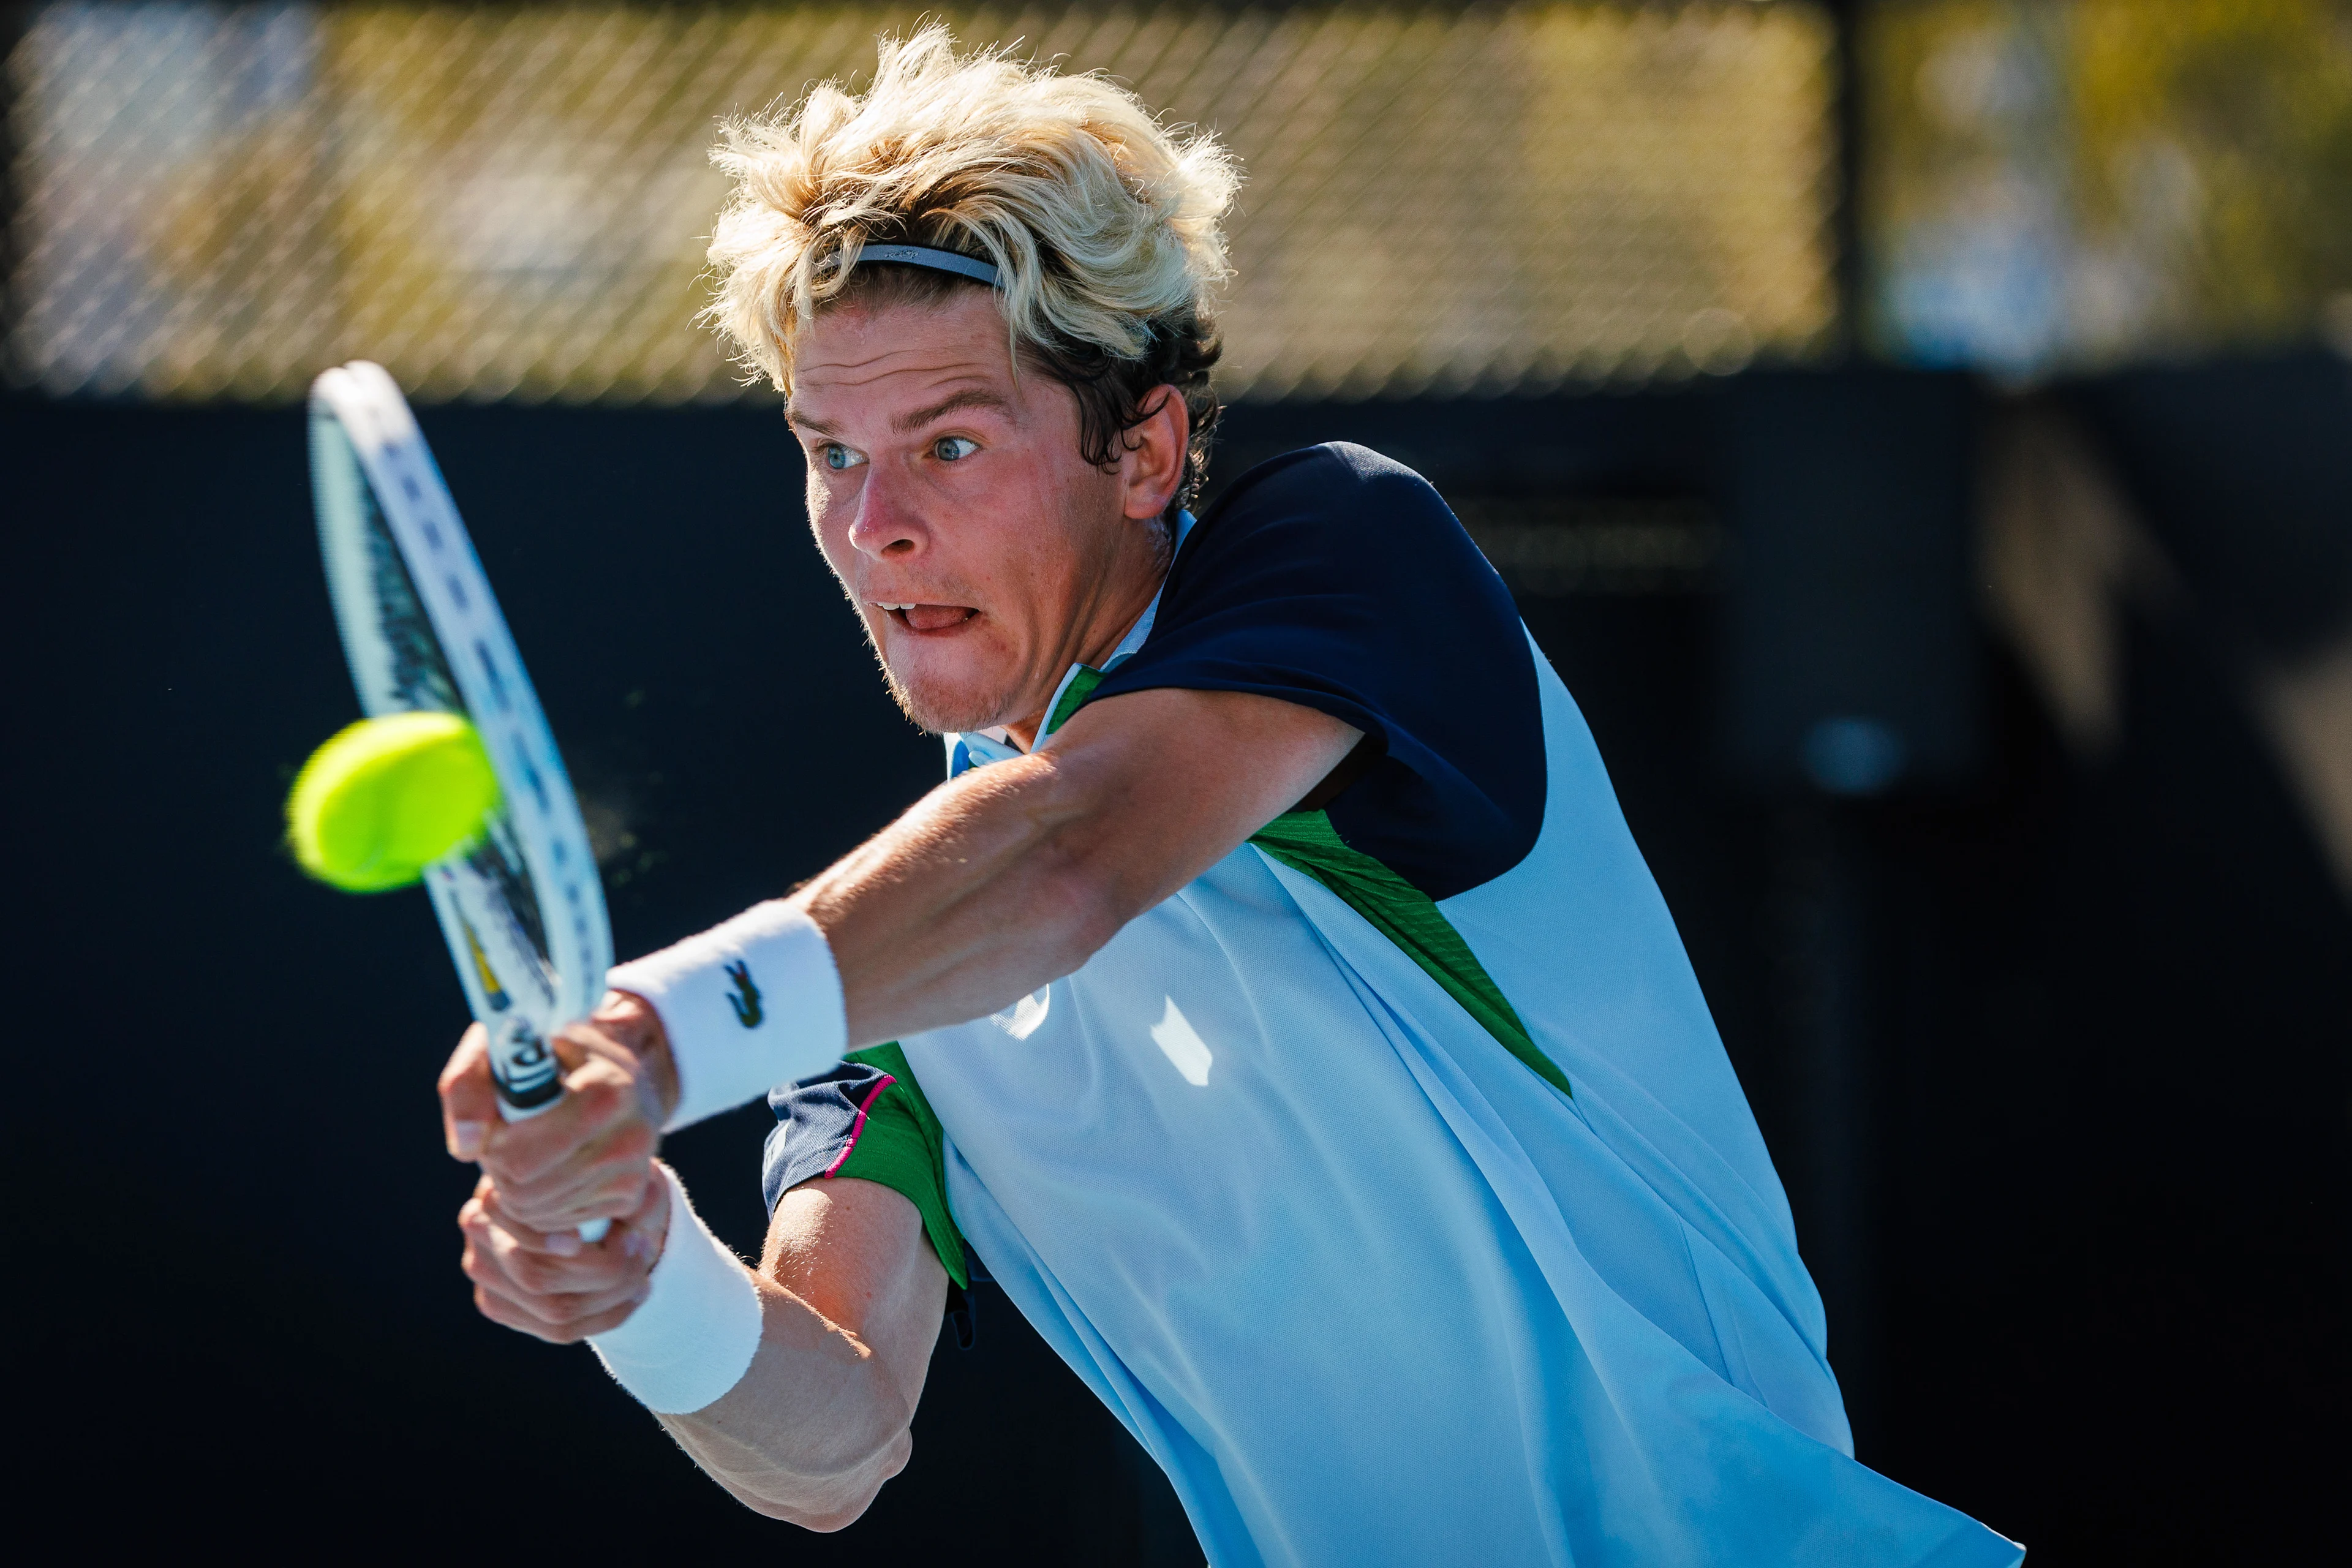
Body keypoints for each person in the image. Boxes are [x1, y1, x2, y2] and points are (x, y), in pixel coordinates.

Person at [437, 29, 2019, 1567]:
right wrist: (634, 1284)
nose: (873, 527)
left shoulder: (1350, 550)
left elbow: (1070, 855)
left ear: (1146, 450)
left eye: (952, 441)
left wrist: (650, 1037)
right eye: (829, 450)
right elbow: (834, 1441)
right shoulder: (886, 963)